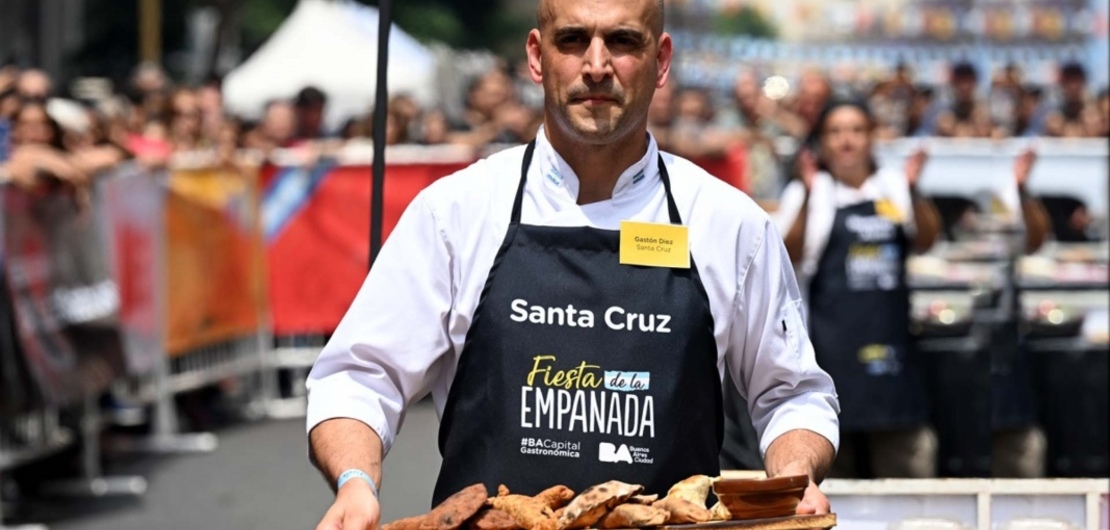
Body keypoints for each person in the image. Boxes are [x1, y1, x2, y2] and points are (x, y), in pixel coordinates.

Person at [306, 2, 840, 529]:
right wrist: (356, 482)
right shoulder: (457, 211)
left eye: (624, 41)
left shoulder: (729, 224)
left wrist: (794, 475)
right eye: (573, 39)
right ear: (537, 57)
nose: (597, 64)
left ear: (661, 61)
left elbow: (793, 390)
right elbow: (361, 375)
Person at [776, 100, 942, 479]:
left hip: (893, 354)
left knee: (906, 475)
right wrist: (804, 193)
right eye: (835, 132)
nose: (846, 141)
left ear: (871, 138)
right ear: (821, 142)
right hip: (831, 355)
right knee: (838, 484)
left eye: (856, 130)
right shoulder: (808, 192)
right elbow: (789, 256)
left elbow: (927, 240)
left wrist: (915, 191)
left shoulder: (895, 186)